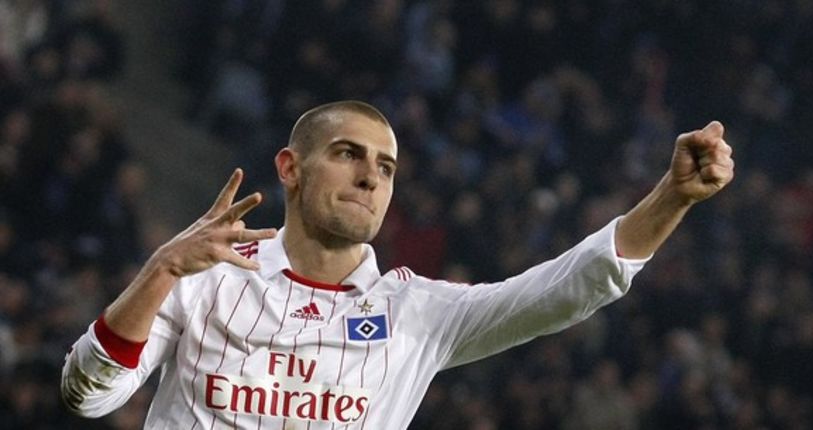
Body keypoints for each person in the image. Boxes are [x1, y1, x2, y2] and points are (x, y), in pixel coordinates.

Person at [61, 100, 734, 428]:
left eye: (385, 166)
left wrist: (671, 197)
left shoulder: (413, 314)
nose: (370, 177)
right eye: (348, 154)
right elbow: (87, 396)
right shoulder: (199, 281)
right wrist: (159, 272)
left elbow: (566, 290)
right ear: (291, 168)